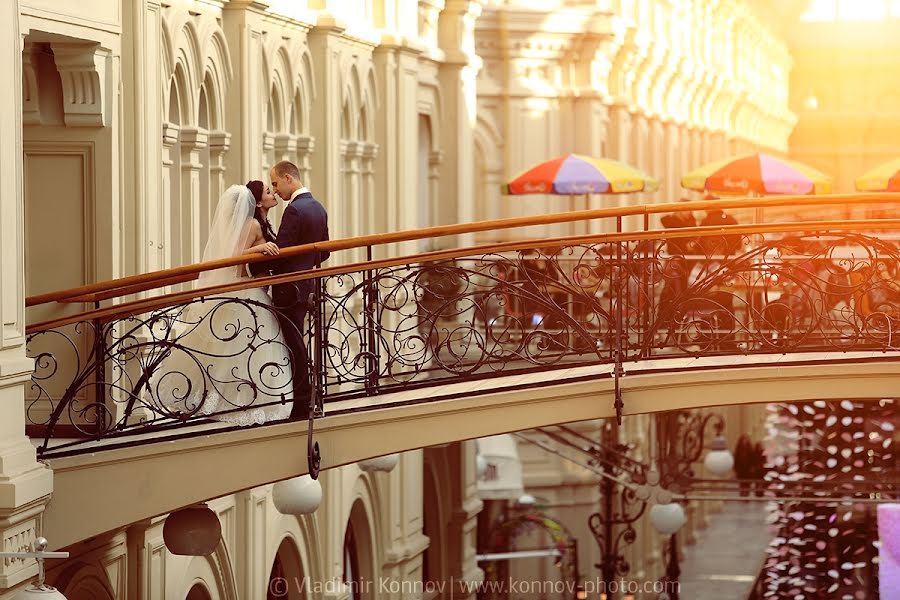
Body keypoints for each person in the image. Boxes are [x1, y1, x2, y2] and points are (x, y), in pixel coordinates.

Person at [146, 182, 293, 425]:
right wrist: (260, 249)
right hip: (248, 292)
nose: (273, 193)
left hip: (258, 290)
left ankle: (251, 399)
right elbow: (234, 257)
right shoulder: (253, 224)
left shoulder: (262, 222)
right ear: (257, 202)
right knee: (245, 347)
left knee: (249, 349)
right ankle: (236, 401)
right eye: (268, 191)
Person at [249, 160, 330, 421]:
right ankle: (308, 397)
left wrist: (259, 264)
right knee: (298, 341)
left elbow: (281, 252)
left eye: (275, 183)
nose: (276, 190)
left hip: (289, 289)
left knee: (293, 344)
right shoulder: (318, 207)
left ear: (288, 178)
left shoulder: (294, 210)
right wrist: (304, 266)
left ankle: (302, 401)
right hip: (307, 285)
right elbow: (324, 251)